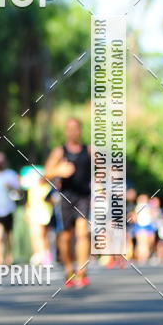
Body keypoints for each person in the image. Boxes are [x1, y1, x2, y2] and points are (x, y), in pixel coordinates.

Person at [44, 117, 91, 288]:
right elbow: (45, 175)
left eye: (75, 128)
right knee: (65, 237)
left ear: (80, 130)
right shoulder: (59, 152)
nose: (72, 132)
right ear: (66, 131)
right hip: (64, 197)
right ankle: (68, 269)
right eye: (69, 128)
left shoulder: (89, 150)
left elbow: (102, 171)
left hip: (84, 197)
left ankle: (82, 272)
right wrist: (59, 171)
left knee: (83, 233)